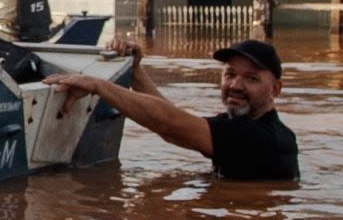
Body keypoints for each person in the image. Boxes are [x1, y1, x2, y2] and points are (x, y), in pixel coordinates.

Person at [51, 37, 299, 181]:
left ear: (275, 90)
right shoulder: (243, 127)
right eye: (230, 74)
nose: (235, 85)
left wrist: (98, 85)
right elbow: (175, 123)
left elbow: (169, 124)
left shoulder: (263, 139)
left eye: (251, 79)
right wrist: (136, 72)